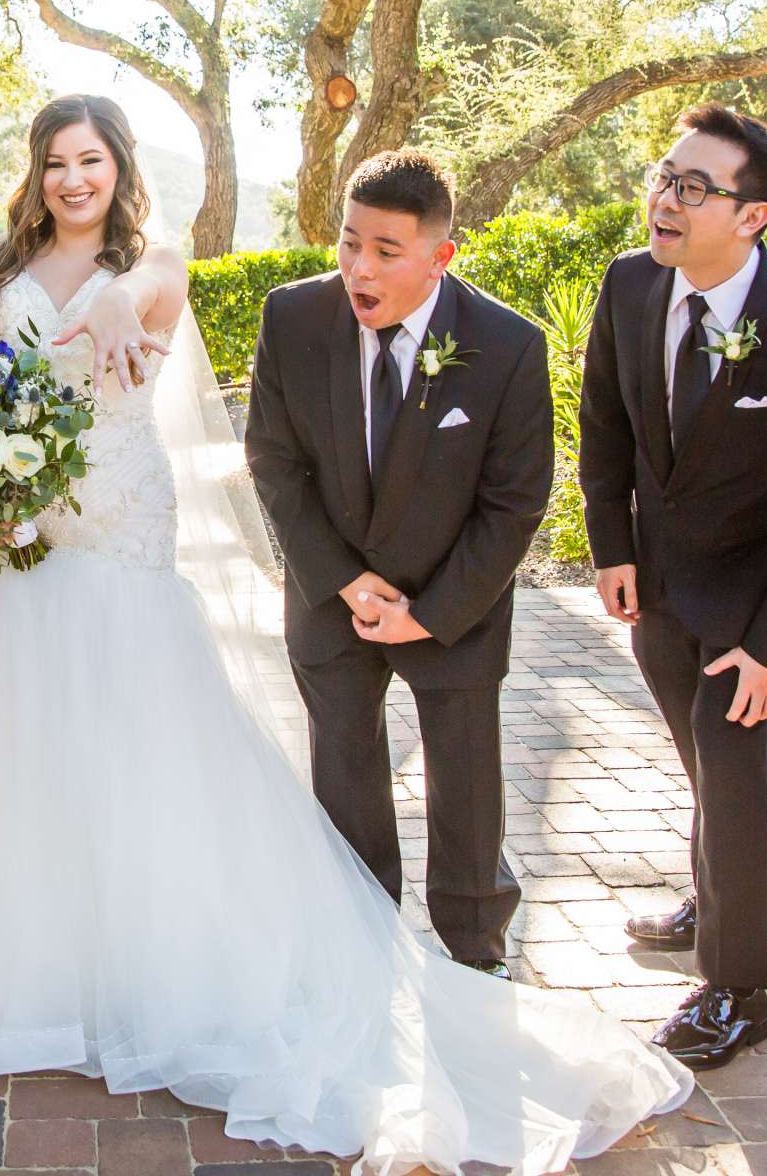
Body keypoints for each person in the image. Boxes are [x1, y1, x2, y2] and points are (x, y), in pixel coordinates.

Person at [0, 99, 691, 1176]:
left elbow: (142, 307)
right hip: (8, 545)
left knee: (137, 752)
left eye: (90, 159)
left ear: (121, 168)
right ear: (33, 172)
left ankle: (173, 961)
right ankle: (34, 969)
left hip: (113, 530)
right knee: (13, 754)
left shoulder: (154, 263)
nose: (71, 178)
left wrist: (114, 319)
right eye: (53, 161)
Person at [577, 104, 767, 1069]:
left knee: (734, 772)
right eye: (665, 176)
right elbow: (606, 425)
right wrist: (611, 547)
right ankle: (714, 895)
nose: (665, 199)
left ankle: (737, 991)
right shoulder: (629, 286)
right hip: (657, 590)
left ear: (753, 218)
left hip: (752, 602)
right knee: (699, 760)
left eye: (694, 188)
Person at [246, 148, 551, 978]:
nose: (359, 268)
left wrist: (428, 611)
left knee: (467, 787)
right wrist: (342, 578)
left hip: (455, 607)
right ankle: (361, 943)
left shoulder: (508, 345)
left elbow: (514, 501)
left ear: (441, 256)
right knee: (343, 776)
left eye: (386, 251)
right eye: (349, 244)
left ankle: (475, 945)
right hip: (331, 596)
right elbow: (274, 461)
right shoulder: (293, 318)